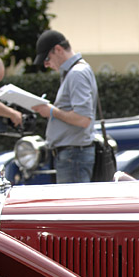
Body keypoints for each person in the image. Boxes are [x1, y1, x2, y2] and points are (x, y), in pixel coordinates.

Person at [31, 29, 97, 183]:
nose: (46, 64)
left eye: (47, 59)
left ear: (58, 50)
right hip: (73, 153)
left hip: (73, 154)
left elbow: (83, 119)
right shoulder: (77, 70)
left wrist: (52, 111)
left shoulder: (76, 73)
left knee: (73, 206)